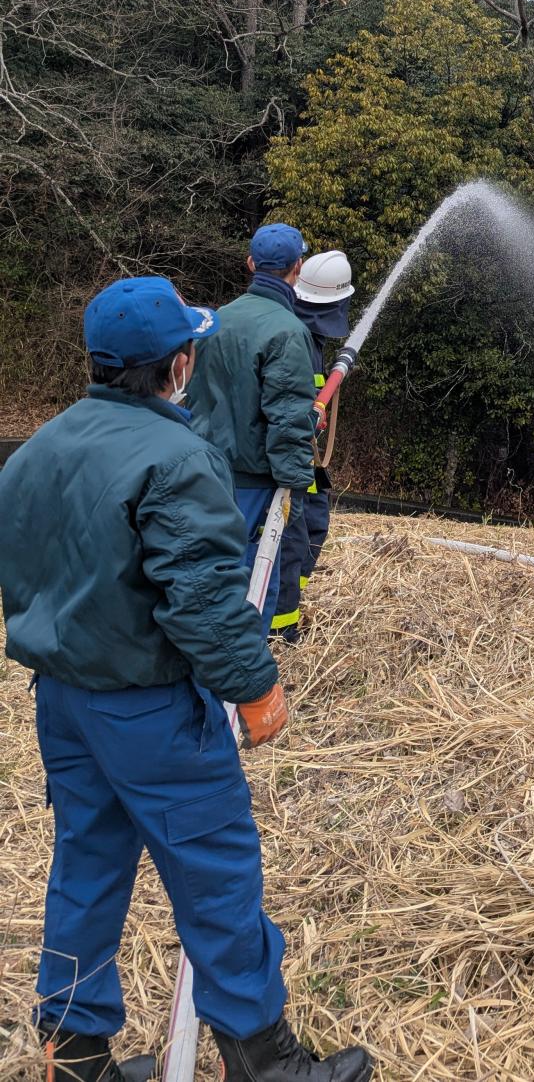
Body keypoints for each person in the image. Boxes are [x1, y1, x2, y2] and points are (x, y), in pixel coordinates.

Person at [0, 277, 372, 1082]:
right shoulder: (178, 459)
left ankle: (76, 1057)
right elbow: (202, 599)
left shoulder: (37, 450)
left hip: (62, 705)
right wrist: (257, 687)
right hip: (151, 713)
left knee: (86, 867)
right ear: (178, 365)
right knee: (217, 873)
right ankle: (264, 1061)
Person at [186, 224, 317, 631]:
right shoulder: (289, 332)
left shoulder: (216, 322)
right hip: (255, 483)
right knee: (253, 583)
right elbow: (288, 421)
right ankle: (241, 685)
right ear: (299, 266)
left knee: (210, 576)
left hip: (205, 472)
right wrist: (294, 488)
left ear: (250, 264)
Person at [271, 251, 355, 644]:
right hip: (286, 458)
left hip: (302, 455)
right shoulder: (293, 337)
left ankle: (293, 600)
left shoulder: (310, 337)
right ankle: (280, 625)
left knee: (314, 523)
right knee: (290, 538)